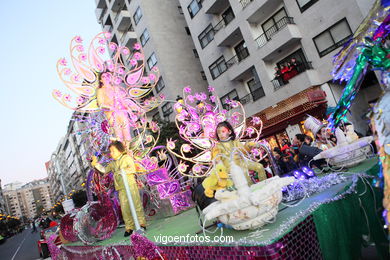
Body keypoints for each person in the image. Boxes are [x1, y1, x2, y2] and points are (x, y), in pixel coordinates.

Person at [92, 140, 146, 237]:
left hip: (130, 185)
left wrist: (123, 171)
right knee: (125, 209)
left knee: (136, 204)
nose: (111, 153)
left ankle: (141, 224)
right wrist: (96, 164)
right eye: (110, 151)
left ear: (120, 150)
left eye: (113, 151)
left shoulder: (126, 158)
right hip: (121, 188)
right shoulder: (113, 164)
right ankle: (129, 227)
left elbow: (133, 169)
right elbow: (104, 170)